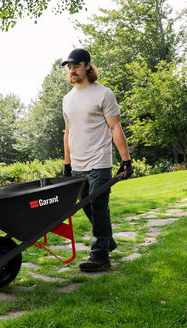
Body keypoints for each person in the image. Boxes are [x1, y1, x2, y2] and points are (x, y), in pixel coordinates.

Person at [61, 48, 133, 272]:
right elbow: (68, 132)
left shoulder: (103, 94)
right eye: (69, 67)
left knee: (98, 205)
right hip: (79, 164)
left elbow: (115, 127)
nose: (72, 70)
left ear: (87, 66)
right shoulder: (67, 99)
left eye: (76, 66)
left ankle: (100, 255)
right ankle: (106, 239)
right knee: (85, 204)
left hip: (99, 161)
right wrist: (67, 163)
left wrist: (126, 161)